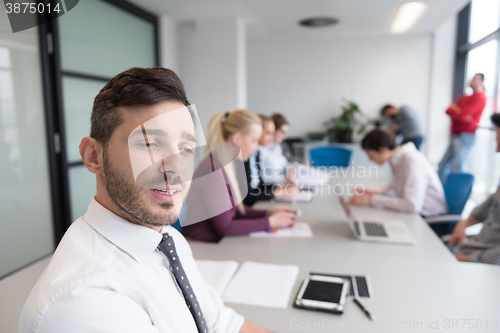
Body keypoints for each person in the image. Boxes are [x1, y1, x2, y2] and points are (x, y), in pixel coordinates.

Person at [19, 67, 272, 333]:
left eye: (185, 149)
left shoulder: (168, 240)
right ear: (93, 156)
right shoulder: (83, 300)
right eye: (150, 144)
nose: (175, 168)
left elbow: (224, 324)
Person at [182, 109, 296, 242]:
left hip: (217, 242)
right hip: (201, 245)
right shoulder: (213, 169)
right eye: (254, 141)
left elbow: (233, 211)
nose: (256, 148)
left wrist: (269, 213)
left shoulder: (227, 164)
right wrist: (270, 222)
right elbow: (226, 227)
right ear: (236, 139)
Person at [350, 129, 447, 217]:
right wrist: (375, 192)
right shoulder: (397, 159)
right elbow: (394, 186)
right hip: (417, 215)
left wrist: (371, 200)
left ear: (383, 150)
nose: (370, 160)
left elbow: (411, 205)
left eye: (370, 155)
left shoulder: (411, 161)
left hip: (430, 219)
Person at [448, 113, 500, 265]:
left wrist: (463, 259)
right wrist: (463, 224)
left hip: (482, 263)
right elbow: (489, 206)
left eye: (499, 144)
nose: (497, 151)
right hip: (470, 250)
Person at [438, 73, 487, 184]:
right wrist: (459, 113)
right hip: (456, 133)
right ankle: (442, 193)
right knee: (442, 165)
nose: (471, 82)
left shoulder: (480, 98)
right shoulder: (465, 97)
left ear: (481, 81)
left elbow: (461, 116)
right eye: (471, 79)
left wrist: (458, 111)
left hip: (466, 135)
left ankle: (455, 196)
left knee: (458, 167)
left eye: (474, 79)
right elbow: (448, 110)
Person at [243, 114, 296, 206]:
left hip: (255, 205)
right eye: (268, 133)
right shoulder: (244, 157)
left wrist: (278, 187)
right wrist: (277, 192)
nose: (271, 138)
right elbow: (246, 196)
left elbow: (258, 185)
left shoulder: (255, 154)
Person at [259, 113, 292, 183]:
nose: (285, 137)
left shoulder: (277, 147)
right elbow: (262, 178)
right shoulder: (260, 150)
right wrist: (284, 177)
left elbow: (284, 165)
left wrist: (295, 167)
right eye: (283, 132)